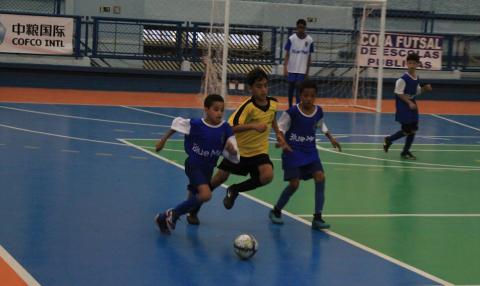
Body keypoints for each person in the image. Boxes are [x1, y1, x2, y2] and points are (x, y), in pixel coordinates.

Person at [187, 67, 288, 222]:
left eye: (265, 85)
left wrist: (279, 135)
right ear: (251, 88)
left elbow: (272, 119)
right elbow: (230, 127)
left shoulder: (273, 103)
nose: (263, 89)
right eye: (259, 86)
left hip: (259, 152)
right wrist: (253, 126)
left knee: (267, 175)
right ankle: (194, 209)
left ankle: (234, 190)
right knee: (218, 179)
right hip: (238, 152)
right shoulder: (247, 107)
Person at [154, 94, 239, 235]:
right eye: (216, 109)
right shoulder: (196, 124)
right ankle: (173, 214)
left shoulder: (225, 128)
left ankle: (162, 219)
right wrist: (163, 140)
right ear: (206, 109)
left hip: (208, 169)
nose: (219, 113)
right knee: (205, 195)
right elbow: (176, 124)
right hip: (194, 165)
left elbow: (234, 155)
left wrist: (233, 151)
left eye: (222, 110)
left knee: (193, 199)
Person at [269, 80, 341, 231]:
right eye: (306, 95)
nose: (309, 98)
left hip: (310, 151)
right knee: (294, 184)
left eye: (312, 96)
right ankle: (276, 210)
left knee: (320, 177)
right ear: (300, 95)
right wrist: (282, 142)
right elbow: (280, 128)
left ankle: (317, 217)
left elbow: (322, 125)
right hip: (292, 151)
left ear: (315, 96)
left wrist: (331, 138)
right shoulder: (292, 112)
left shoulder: (318, 111)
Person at [383, 53, 432, 160]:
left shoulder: (416, 78)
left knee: (413, 129)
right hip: (403, 105)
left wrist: (425, 89)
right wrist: (409, 102)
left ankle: (405, 152)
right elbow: (398, 93)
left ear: (418, 64)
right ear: (406, 64)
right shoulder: (402, 79)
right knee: (407, 129)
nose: (411, 65)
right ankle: (389, 139)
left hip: (412, 104)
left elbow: (416, 92)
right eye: (410, 63)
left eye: (414, 63)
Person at [284, 18, 314, 108]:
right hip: (291, 69)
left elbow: (309, 57)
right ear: (296, 27)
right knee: (290, 90)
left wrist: (307, 72)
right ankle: (290, 108)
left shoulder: (309, 40)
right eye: (299, 27)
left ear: (305, 28)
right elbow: (287, 54)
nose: (301, 29)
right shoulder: (291, 39)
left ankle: (297, 108)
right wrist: (285, 67)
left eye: (303, 27)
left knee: (299, 91)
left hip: (302, 70)